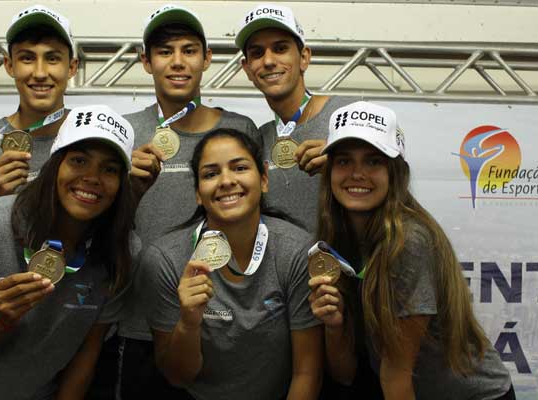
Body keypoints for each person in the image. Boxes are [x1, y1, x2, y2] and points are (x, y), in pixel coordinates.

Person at [0, 105, 138, 400]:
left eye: (110, 169)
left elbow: (88, 353)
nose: (92, 177)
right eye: (78, 160)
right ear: (54, 165)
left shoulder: (125, 252)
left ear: (122, 184)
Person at [308, 101, 514, 400]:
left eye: (373, 161)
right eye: (343, 161)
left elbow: (396, 374)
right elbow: (345, 374)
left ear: (395, 173)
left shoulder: (408, 241)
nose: (357, 173)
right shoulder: (338, 245)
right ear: (330, 173)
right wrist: (334, 326)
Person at [112, 5, 262, 398]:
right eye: (164, 51)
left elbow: (257, 225)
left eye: (189, 50)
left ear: (207, 58)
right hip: (139, 323)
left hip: (222, 322)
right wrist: (129, 192)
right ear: (146, 62)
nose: (178, 62)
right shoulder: (124, 132)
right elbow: (99, 228)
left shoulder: (239, 129)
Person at [141, 128, 323, 400]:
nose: (226, 181)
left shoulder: (296, 251)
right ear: (198, 194)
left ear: (263, 179)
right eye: (211, 174)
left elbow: (307, 373)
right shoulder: (166, 258)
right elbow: (177, 376)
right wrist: (188, 324)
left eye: (239, 167)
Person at [236, 3, 359, 235]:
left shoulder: (348, 112)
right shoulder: (257, 139)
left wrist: (345, 160)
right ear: (247, 68)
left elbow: (395, 179)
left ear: (304, 57)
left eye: (280, 48)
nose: (269, 61)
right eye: (257, 53)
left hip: (351, 268)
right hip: (288, 270)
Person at [0, 4, 77, 218]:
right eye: (27, 58)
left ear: (72, 67)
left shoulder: (95, 136)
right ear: (9, 65)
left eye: (52, 58)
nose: (39, 73)